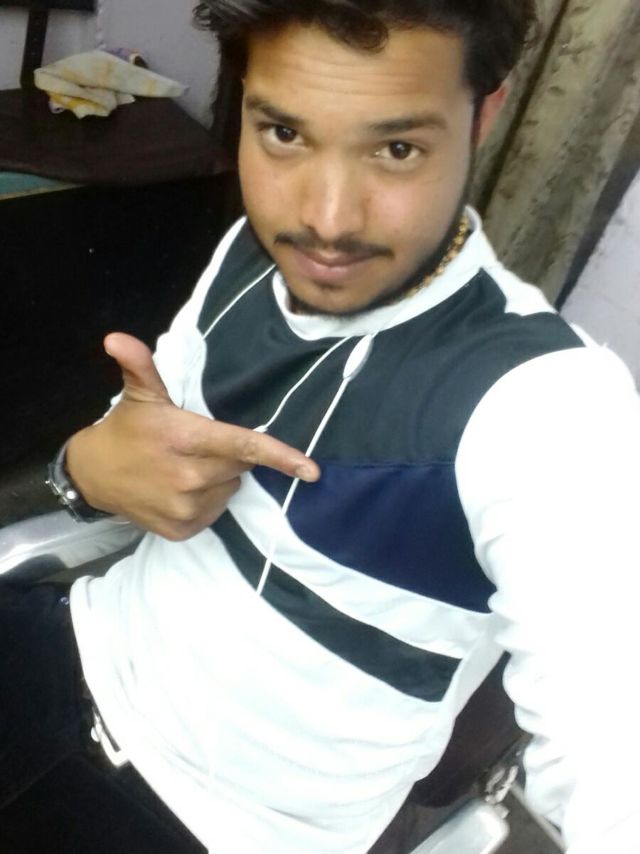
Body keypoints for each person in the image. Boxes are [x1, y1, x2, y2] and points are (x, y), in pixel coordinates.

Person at [2, 1, 639, 852]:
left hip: (213, 824)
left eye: (396, 149)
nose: (327, 221)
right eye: (284, 135)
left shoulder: (551, 406)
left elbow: (614, 762)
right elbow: (139, 443)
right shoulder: (249, 255)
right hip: (73, 646)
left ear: (482, 114)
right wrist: (81, 469)